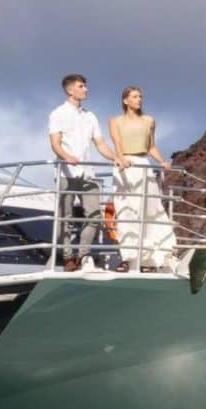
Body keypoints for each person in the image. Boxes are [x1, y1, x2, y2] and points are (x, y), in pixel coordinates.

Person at [46, 73, 116, 271]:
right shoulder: (57, 113)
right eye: (81, 86)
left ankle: (81, 255)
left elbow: (100, 143)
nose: (86, 89)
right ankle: (67, 257)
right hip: (66, 173)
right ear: (70, 90)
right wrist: (66, 156)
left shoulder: (90, 116)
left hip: (87, 173)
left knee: (94, 216)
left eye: (85, 86)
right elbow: (55, 143)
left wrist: (115, 158)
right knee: (65, 218)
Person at [109, 87, 175, 272]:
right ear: (125, 100)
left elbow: (151, 146)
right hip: (125, 165)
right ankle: (128, 258)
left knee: (148, 209)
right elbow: (117, 143)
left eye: (140, 97)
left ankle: (149, 259)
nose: (139, 100)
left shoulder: (149, 120)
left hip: (143, 164)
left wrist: (162, 161)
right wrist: (121, 160)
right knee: (127, 211)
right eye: (134, 97)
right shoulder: (115, 121)